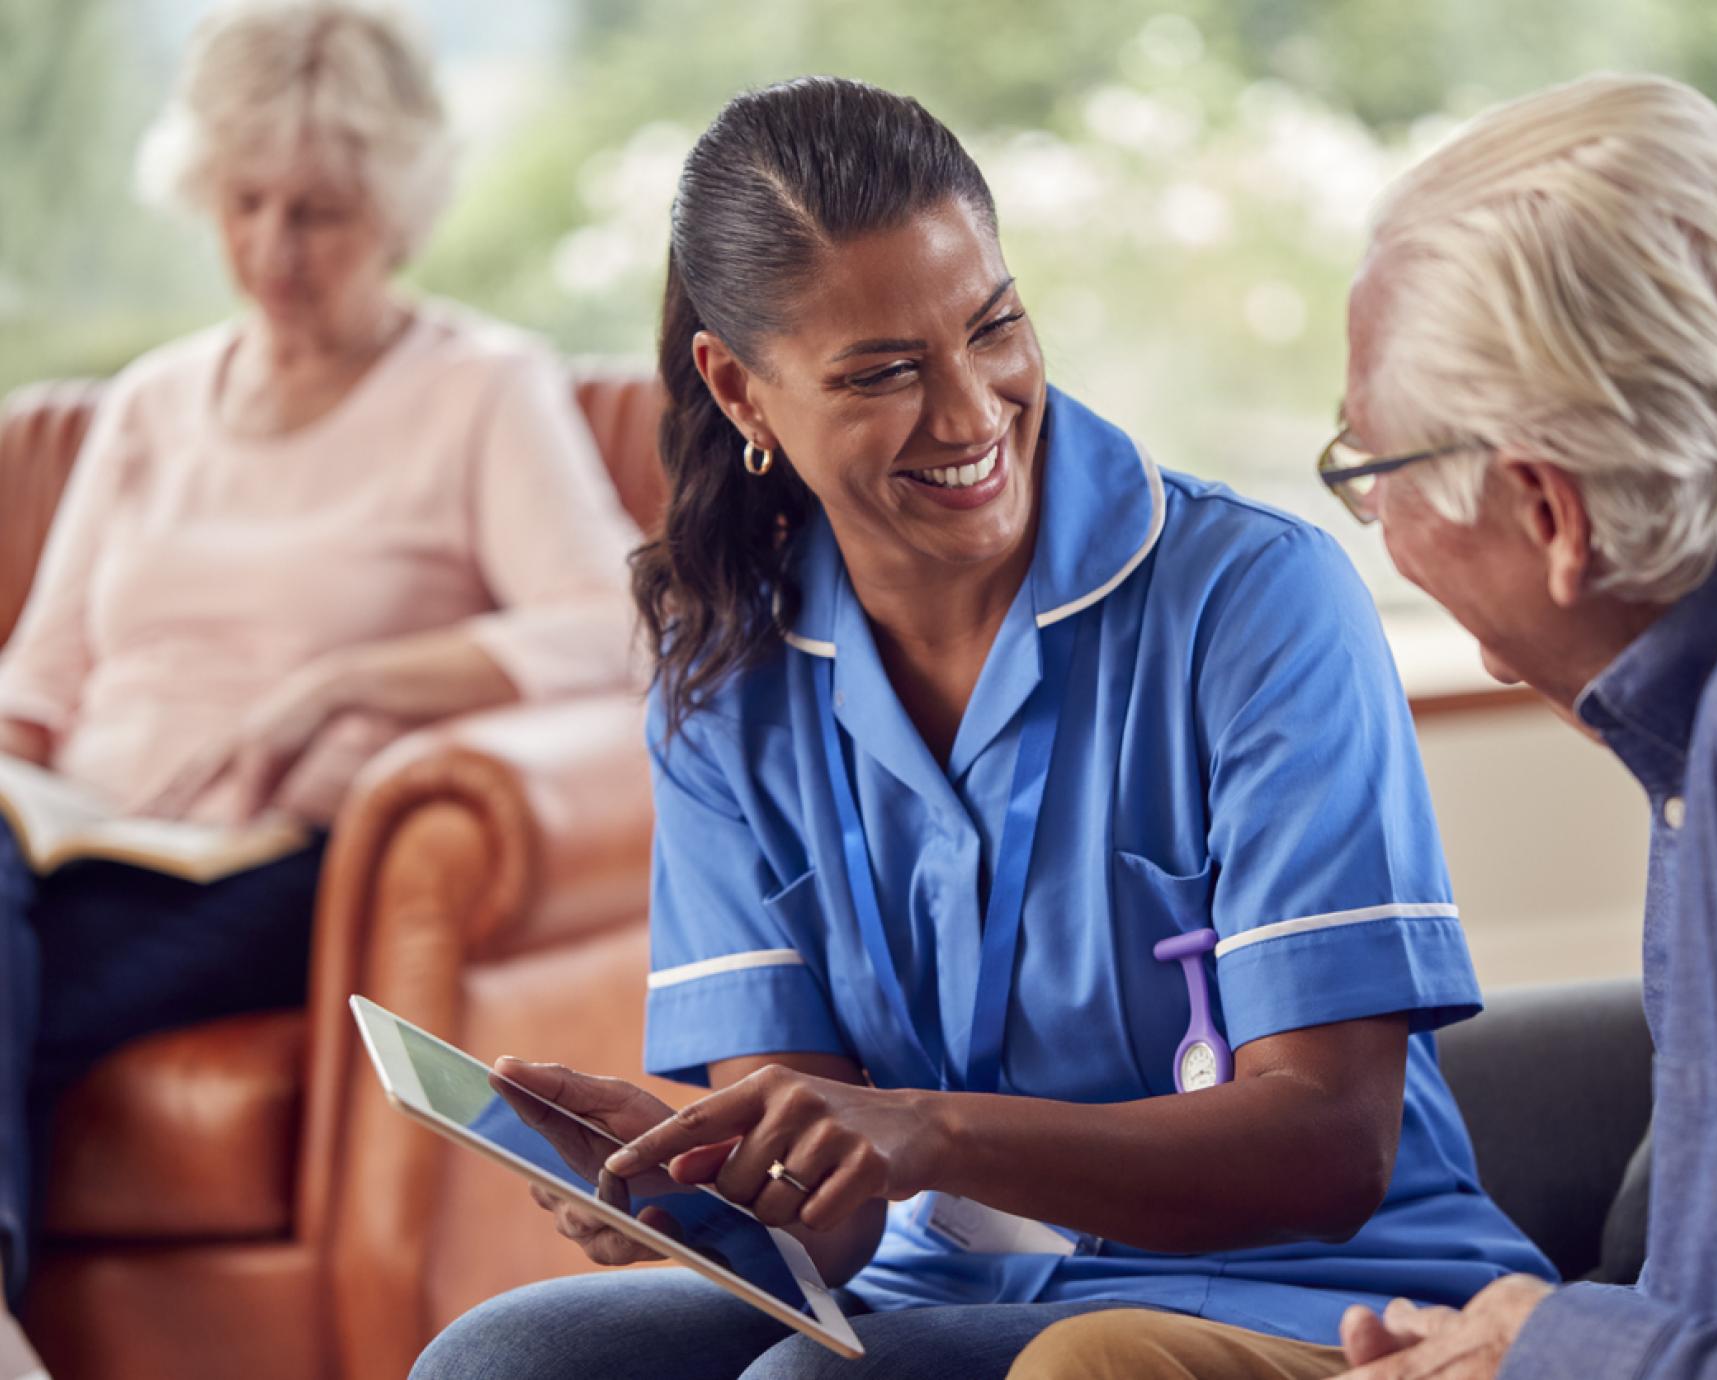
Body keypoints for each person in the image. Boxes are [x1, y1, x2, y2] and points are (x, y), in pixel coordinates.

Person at [411, 75, 1553, 1380]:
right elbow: (827, 1233)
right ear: (740, 392)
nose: (970, 413)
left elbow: (1331, 1150)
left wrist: (929, 1130)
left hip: (1311, 1291)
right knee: (505, 1360)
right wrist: (694, 1181)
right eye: (885, 372)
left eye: (993, 327)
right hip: (936, 1289)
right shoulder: (726, 677)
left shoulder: (1255, 603)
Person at [1010, 72, 1717, 1380]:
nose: (1376, 531)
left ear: (1548, 512)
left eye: (1368, 470)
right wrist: (1513, 1342)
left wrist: (1566, 1347)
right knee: (1114, 1360)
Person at [0, 0, 640, 1358]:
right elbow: (39, 681)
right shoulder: (151, 405)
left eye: (321, 214)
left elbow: (619, 628)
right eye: (246, 204)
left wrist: (355, 684)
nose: (273, 251)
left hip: (284, 862)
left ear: (401, 211)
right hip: (71, 849)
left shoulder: (480, 390)